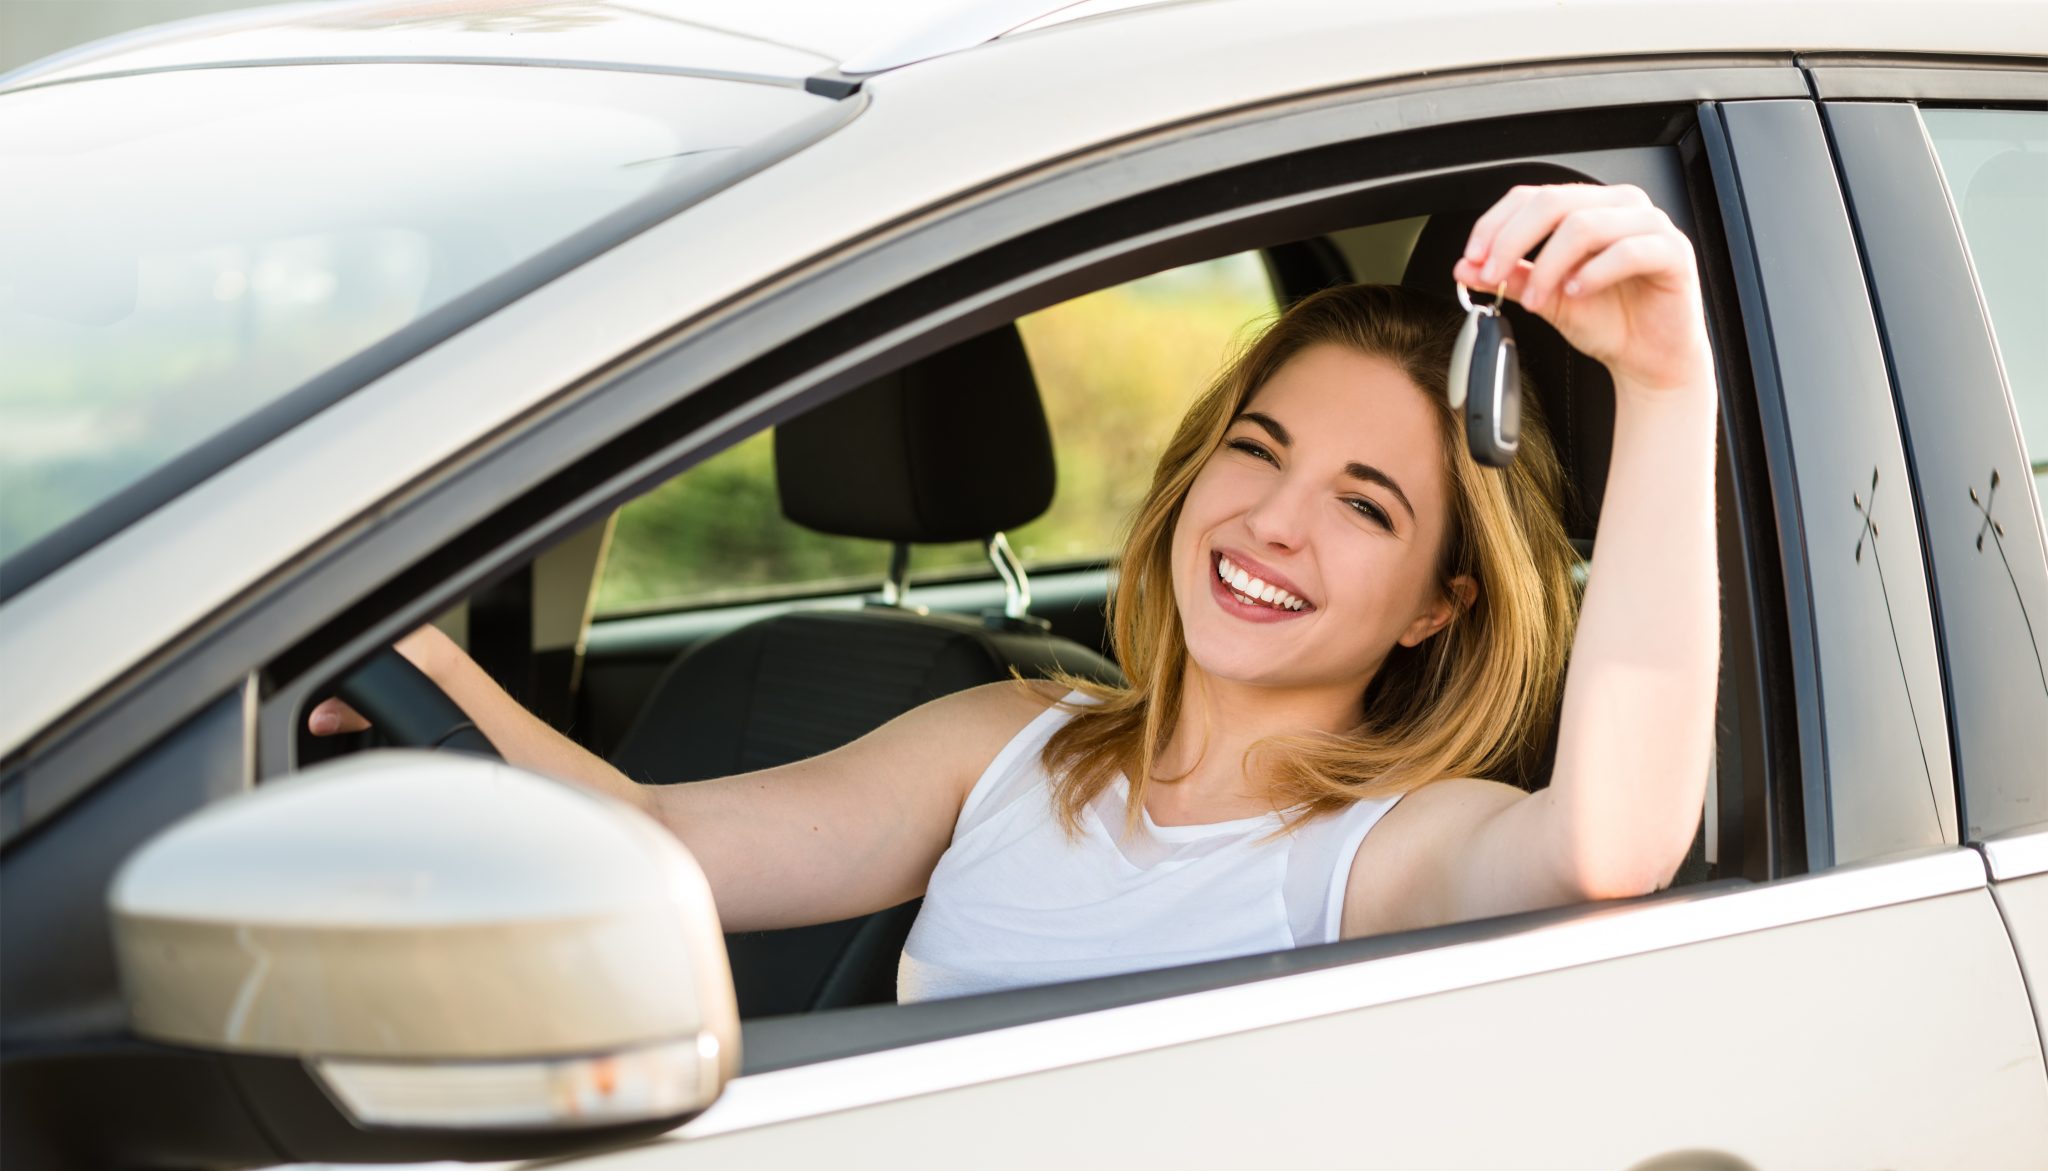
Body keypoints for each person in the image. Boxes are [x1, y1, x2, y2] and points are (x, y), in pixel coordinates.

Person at [311, 182, 1718, 1003]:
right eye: (1257, 449)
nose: (1273, 524)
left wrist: (1662, 389)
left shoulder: (1390, 849)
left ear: (1438, 604)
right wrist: (387, 662)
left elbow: (1603, 849)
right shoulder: (1015, 737)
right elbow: (648, 842)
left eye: (1365, 505)